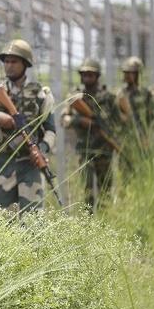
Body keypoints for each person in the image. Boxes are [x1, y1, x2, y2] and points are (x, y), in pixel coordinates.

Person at [0, 39, 56, 213]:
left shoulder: (41, 94)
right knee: (1, 223)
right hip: (2, 164)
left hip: (29, 166)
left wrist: (42, 149)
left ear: (25, 64)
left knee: (33, 224)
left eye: (14, 61)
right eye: (6, 61)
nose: (9, 66)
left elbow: (51, 130)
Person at [62, 58, 120, 209]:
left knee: (106, 190)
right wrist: (80, 120)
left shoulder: (108, 98)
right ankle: (88, 224)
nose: (87, 77)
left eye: (91, 74)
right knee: (87, 190)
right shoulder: (75, 96)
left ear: (97, 76)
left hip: (104, 150)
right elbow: (64, 120)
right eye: (84, 74)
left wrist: (115, 140)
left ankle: (105, 221)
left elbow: (118, 123)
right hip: (84, 150)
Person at [116, 56, 154, 140]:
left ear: (137, 74)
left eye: (131, 73)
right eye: (126, 73)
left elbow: (151, 115)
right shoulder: (120, 93)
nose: (127, 75)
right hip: (125, 133)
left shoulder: (145, 93)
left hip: (143, 133)